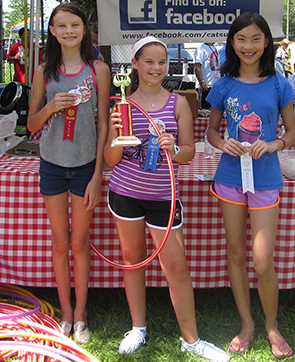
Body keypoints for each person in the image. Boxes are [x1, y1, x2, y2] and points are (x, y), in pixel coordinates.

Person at [104, 36, 229, 362]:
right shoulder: (121, 105)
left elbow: (187, 153)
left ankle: (191, 340)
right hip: (125, 193)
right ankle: (138, 328)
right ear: (135, 64)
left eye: (162, 62)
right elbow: (109, 160)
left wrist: (172, 147)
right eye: (149, 61)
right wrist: (117, 137)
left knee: (176, 266)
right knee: (133, 260)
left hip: (163, 195)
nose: (156, 68)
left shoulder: (178, 104)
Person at [206, 12, 295, 359]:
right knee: (235, 252)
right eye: (241, 39)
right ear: (232, 43)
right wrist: (221, 143)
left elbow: (291, 132)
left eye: (256, 39)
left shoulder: (278, 84)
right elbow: (212, 132)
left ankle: (272, 326)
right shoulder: (223, 85)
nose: (248, 46)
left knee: (262, 260)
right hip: (230, 178)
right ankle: (248, 325)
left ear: (266, 42)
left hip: (266, 179)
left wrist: (274, 145)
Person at [26, 3, 110, 344]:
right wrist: (50, 106)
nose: (69, 31)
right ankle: (64, 311)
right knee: (60, 243)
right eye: (61, 26)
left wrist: (97, 175)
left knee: (79, 243)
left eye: (75, 24)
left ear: (85, 28)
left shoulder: (98, 70)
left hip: (85, 166)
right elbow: (31, 124)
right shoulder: (44, 70)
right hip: (52, 165)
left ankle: (81, 314)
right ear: (53, 31)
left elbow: (104, 124)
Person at [194, 42, 220, 109]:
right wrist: (202, 82)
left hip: (215, 85)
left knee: (214, 110)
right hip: (206, 86)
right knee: (205, 111)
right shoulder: (201, 49)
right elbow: (197, 67)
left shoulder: (214, 48)